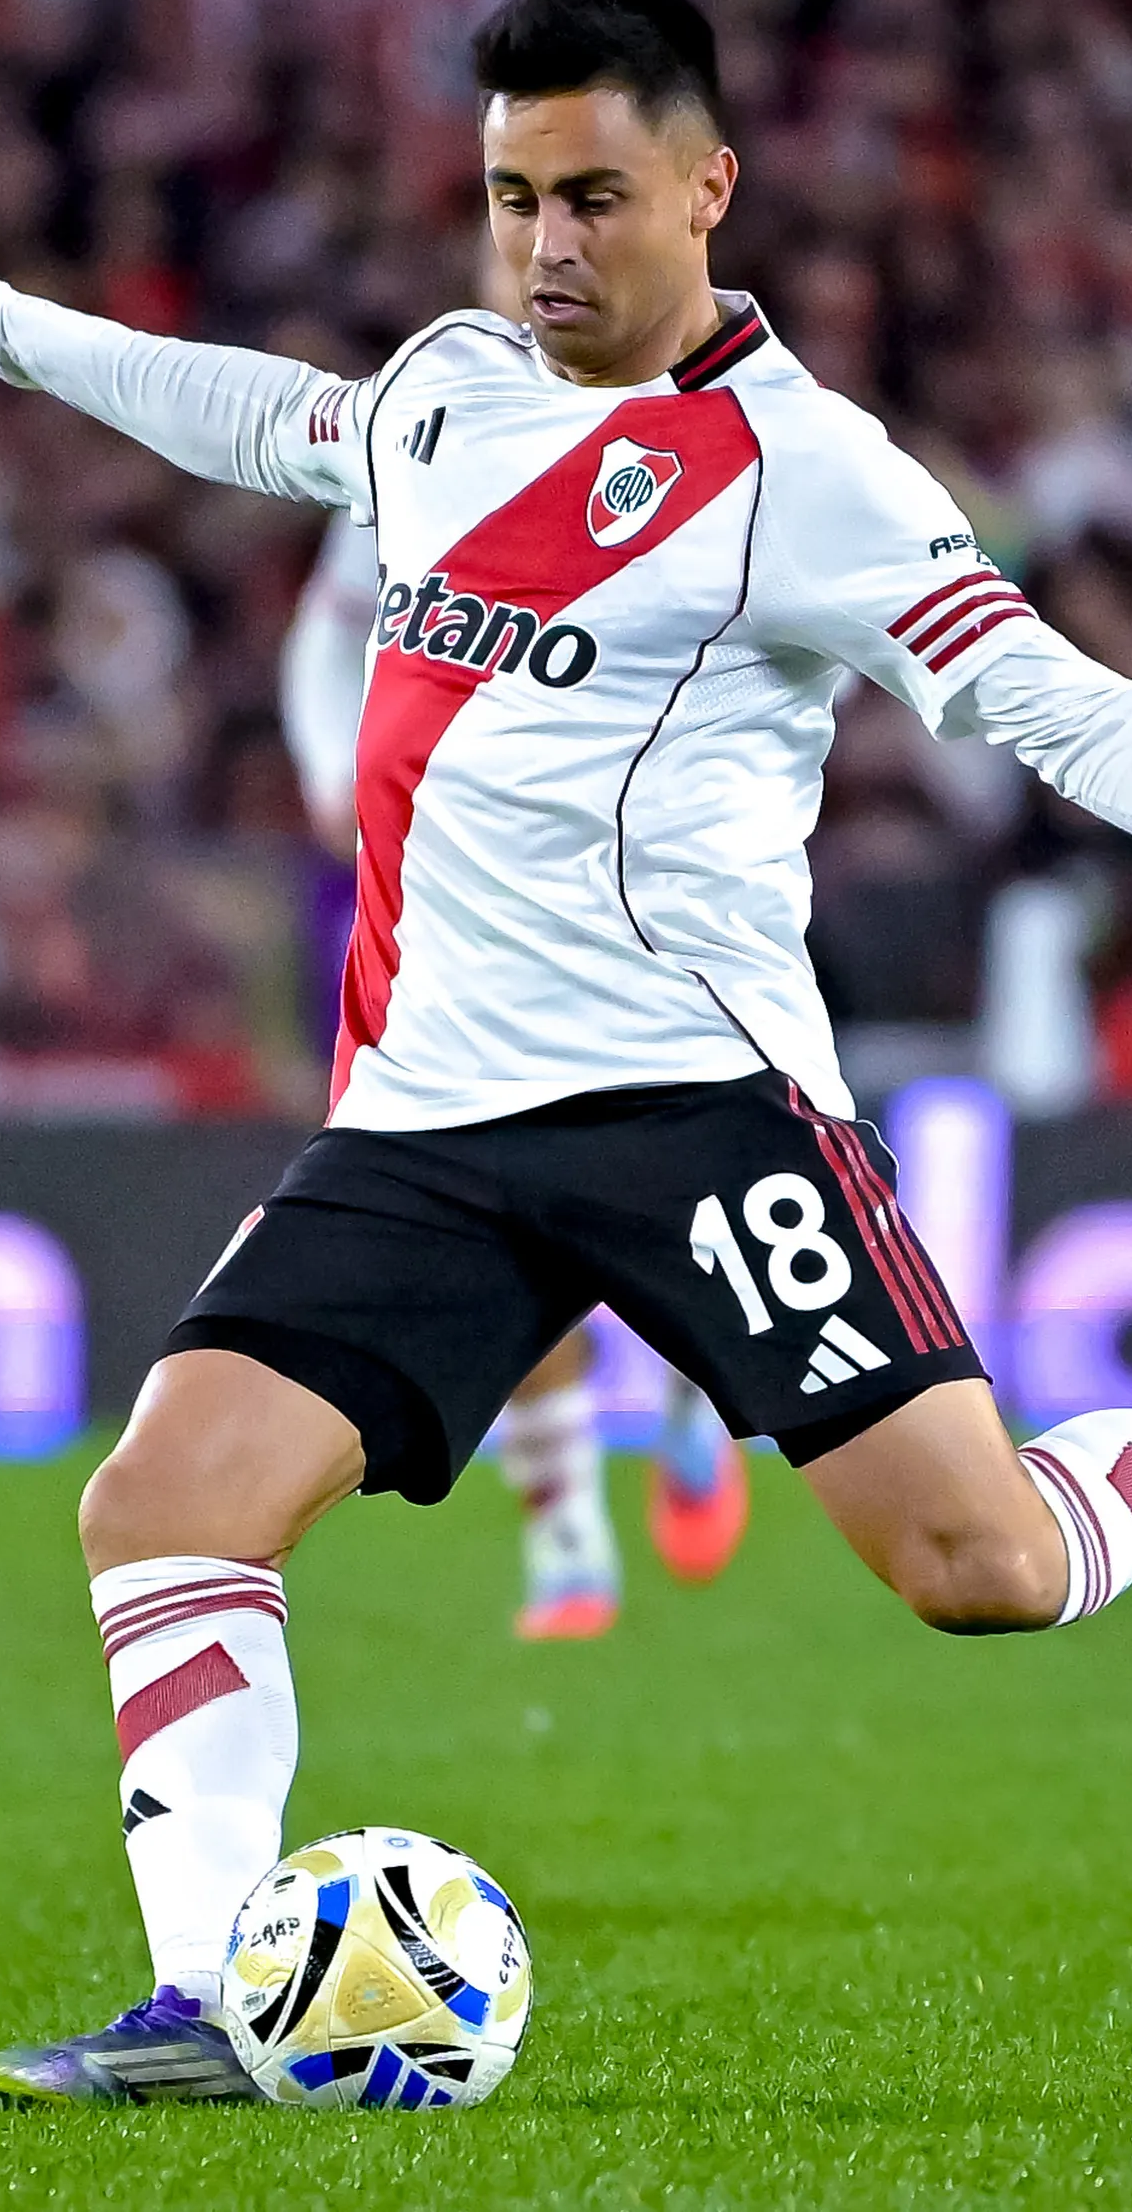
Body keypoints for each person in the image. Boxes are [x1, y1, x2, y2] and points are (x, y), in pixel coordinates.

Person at [0, 0, 1132, 2107]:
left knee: (982, 1566)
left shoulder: (812, 476)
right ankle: (214, 2003)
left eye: (594, 197)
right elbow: (262, 417)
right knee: (164, 1502)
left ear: (709, 187)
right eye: (514, 198)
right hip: (424, 1118)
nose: (548, 246)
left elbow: (1059, 709)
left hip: (699, 1111)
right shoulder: (446, 396)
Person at [281, 318, 752, 1640]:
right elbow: (326, 634)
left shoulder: (710, 448)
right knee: (495, 1186)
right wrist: (331, 770)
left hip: (633, 896)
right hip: (451, 896)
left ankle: (697, 1388)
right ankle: (568, 1530)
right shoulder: (431, 433)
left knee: (664, 1183)